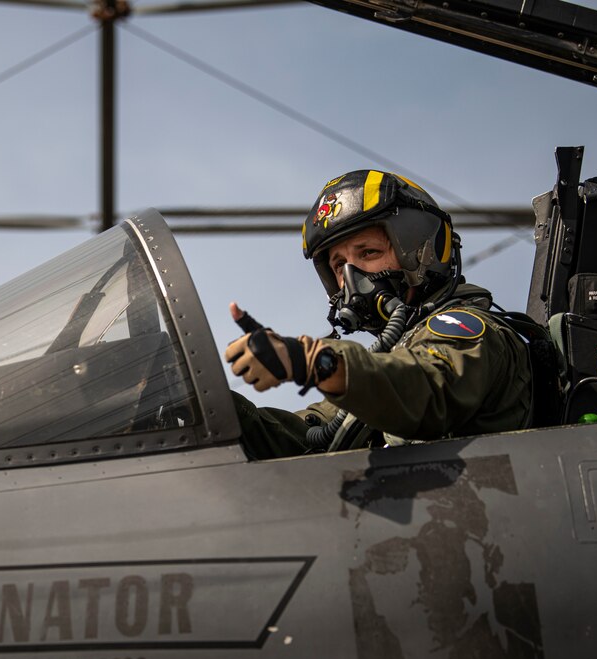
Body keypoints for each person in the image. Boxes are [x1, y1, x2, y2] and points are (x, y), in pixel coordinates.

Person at [225, 169, 534, 458]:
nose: (350, 276)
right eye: (338, 265)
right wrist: (198, 404)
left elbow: (424, 388)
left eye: (368, 253)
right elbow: (301, 440)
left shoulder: (468, 331)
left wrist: (313, 360)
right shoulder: (368, 382)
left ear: (421, 252)